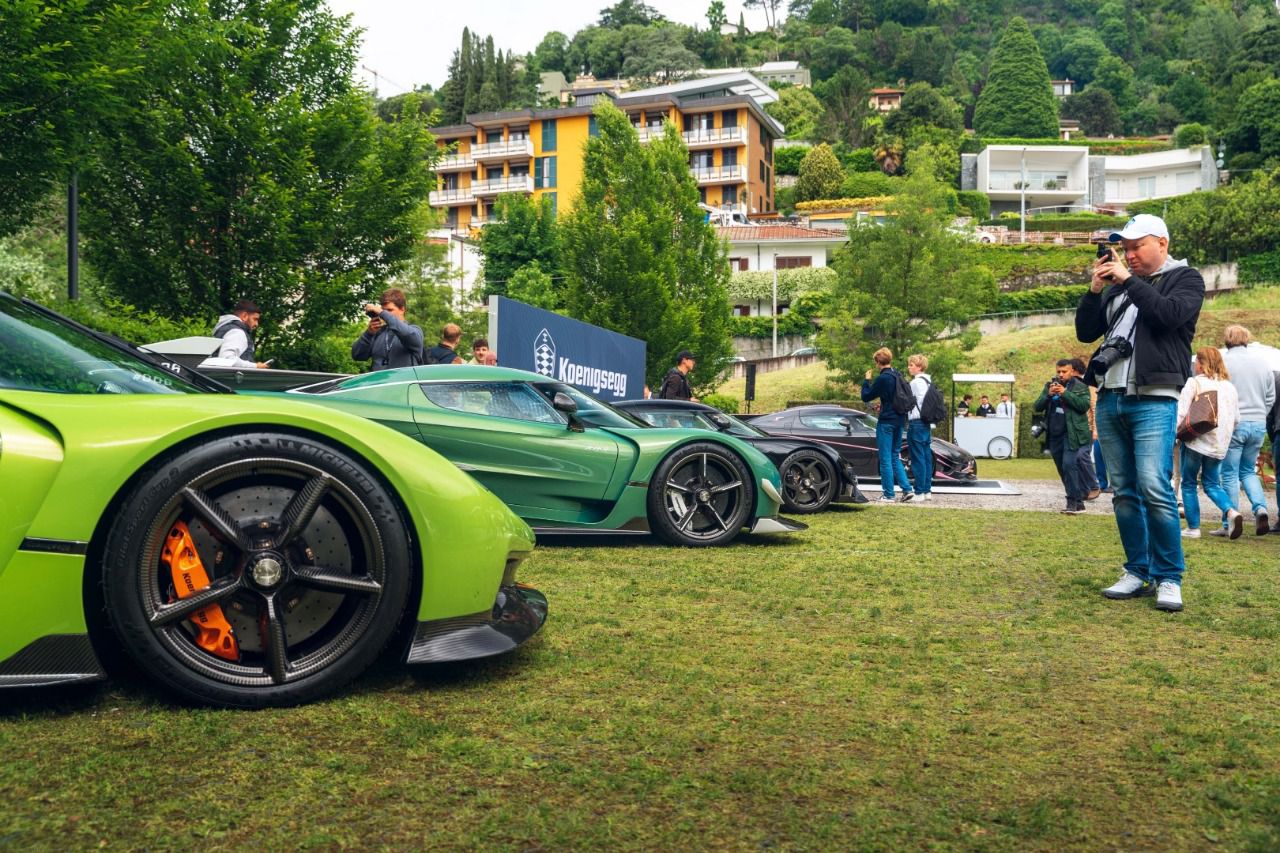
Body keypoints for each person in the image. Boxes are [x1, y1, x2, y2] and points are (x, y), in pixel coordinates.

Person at [1079, 213, 1205, 613]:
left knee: (1154, 485)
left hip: (1154, 396)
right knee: (1125, 492)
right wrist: (1096, 288)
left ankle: (1169, 576)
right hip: (1113, 394)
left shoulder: (1186, 279)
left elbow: (1168, 316)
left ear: (1162, 244)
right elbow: (1085, 332)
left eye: (1137, 246)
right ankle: (1137, 569)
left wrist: (1128, 281)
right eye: (1126, 249)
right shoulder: (1118, 286)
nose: (1130, 255)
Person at [1217, 325, 1276, 537]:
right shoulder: (1262, 363)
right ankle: (1260, 509)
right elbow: (1270, 396)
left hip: (1235, 423)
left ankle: (1230, 522)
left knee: (1230, 473)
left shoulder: (1223, 361)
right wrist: (1261, 414)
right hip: (1258, 423)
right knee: (1248, 471)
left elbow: (1218, 393)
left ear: (1228, 339)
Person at [1179, 347, 1240, 539]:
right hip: (1219, 444)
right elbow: (1237, 418)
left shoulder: (1195, 382)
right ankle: (1231, 511)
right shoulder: (1230, 387)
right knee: (1212, 483)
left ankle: (1193, 528)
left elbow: (1181, 411)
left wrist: (1173, 434)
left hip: (1196, 440)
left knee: (1188, 483)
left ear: (1202, 363)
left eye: (1197, 361)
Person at [1034, 359, 1091, 514]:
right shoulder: (1049, 386)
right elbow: (1037, 407)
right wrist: (1048, 395)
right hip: (1054, 434)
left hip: (1072, 434)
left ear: (1071, 371)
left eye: (1064, 371)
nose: (1060, 374)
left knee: (1069, 465)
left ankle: (1072, 502)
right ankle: (1078, 502)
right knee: (1062, 468)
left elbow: (1083, 406)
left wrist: (1065, 393)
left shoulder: (1080, 386)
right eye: (1058, 371)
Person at [861, 347, 913, 503]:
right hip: (900, 420)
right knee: (894, 456)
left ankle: (889, 494)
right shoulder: (898, 374)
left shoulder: (883, 378)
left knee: (884, 459)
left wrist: (867, 380)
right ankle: (906, 489)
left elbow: (866, 396)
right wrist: (882, 405)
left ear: (878, 362)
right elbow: (893, 397)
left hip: (886, 423)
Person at [352, 288, 425, 370]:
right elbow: (357, 355)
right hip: (379, 382)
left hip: (404, 382)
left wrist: (381, 312)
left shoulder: (415, 330)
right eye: (384, 310)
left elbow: (406, 334)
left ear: (402, 309)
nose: (385, 314)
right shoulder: (378, 332)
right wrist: (368, 334)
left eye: (390, 310)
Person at [1069, 358, 1102, 501]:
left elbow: (1094, 408)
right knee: (1075, 459)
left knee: (1082, 456)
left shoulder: (1089, 387)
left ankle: (1094, 485)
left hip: (1087, 429)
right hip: (1074, 429)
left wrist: (1095, 430)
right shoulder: (1072, 385)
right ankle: (1084, 490)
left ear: (1074, 370)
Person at [905, 354, 935, 502]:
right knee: (926, 457)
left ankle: (919, 492)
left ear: (919, 367)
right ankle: (927, 490)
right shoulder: (929, 381)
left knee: (917, 459)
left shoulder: (915, 383)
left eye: (911, 365)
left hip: (916, 423)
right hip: (926, 423)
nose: (909, 367)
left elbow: (910, 402)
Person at [207, 299, 268, 369]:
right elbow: (227, 359)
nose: (257, 324)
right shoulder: (237, 332)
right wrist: (255, 366)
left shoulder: (226, 329)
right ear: (245, 316)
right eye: (255, 319)